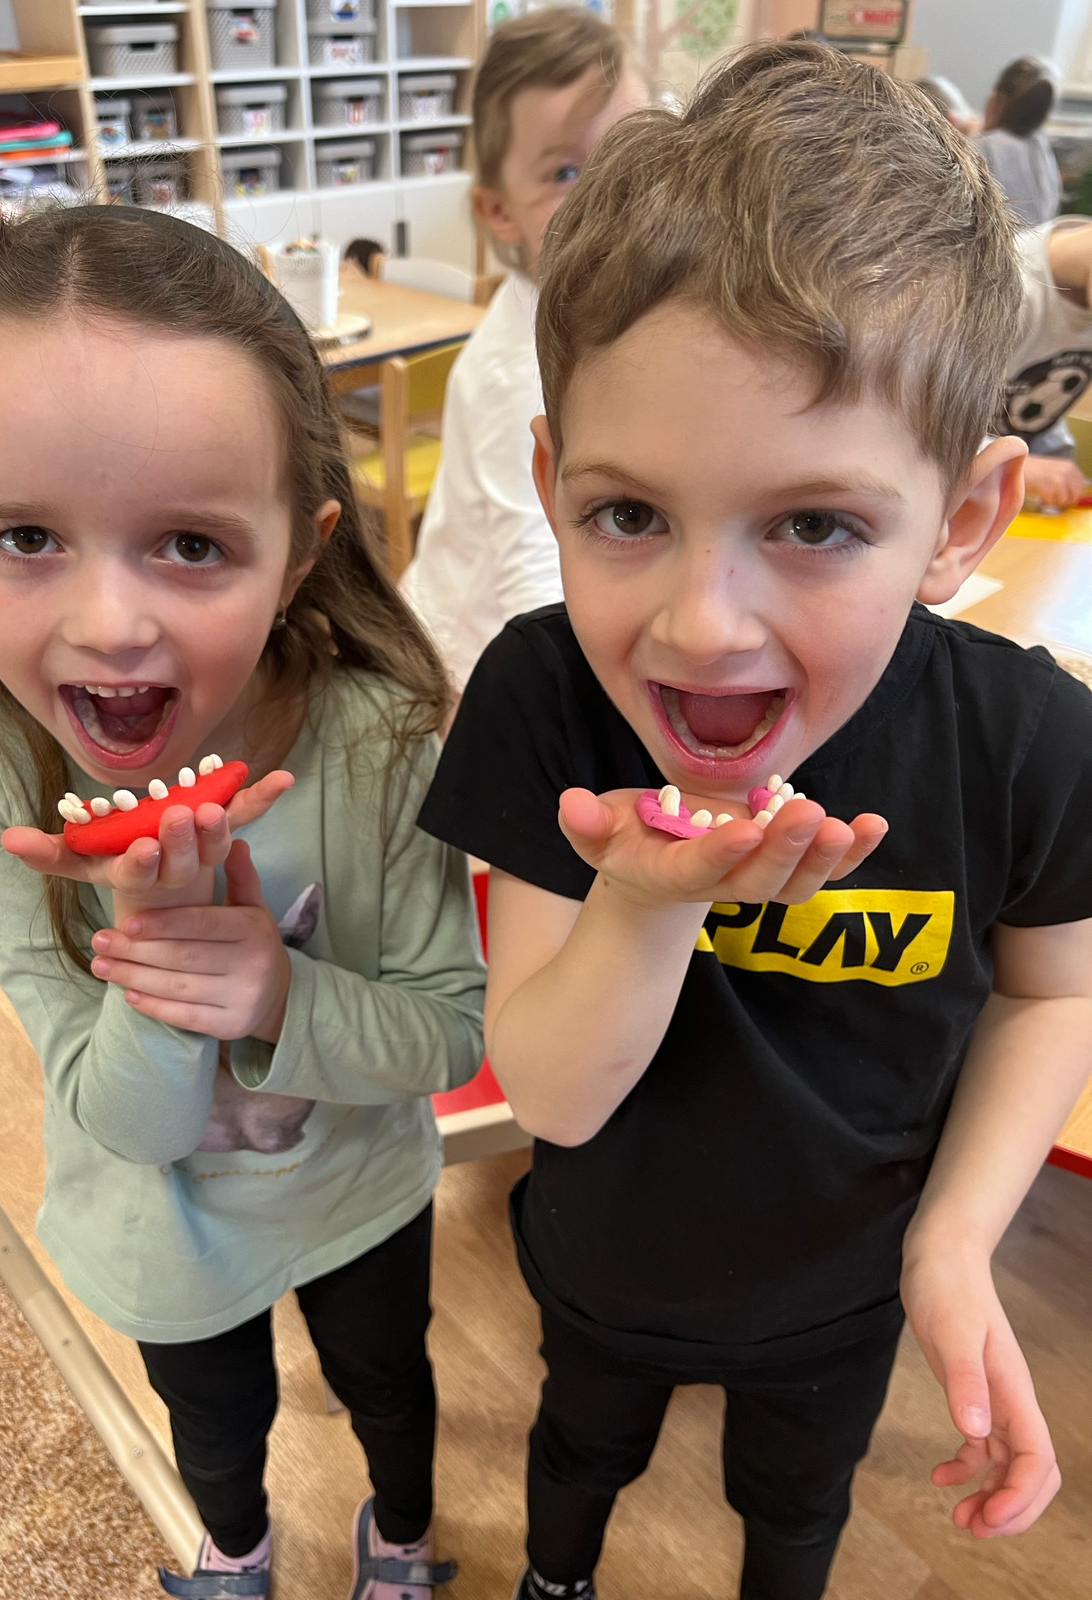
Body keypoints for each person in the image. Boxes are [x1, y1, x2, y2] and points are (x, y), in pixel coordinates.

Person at [419, 41, 1092, 1600]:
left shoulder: (1028, 739)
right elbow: (555, 1093)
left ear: (962, 520)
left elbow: (1054, 992)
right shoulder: (543, 696)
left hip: (851, 1290)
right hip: (603, 1262)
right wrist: (648, 901)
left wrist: (955, 1239)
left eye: (814, 524)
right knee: (578, 1460)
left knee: (797, 1514)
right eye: (628, 514)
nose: (702, 627)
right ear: (552, 483)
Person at [0, 205, 485, 1600]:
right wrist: (160, 965)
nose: (109, 625)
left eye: (192, 545)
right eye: (25, 535)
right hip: (162, 1223)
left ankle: (400, 1538)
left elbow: (451, 1036)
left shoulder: (383, 737)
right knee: (215, 1425)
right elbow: (130, 1120)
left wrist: (278, 991)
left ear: (300, 551)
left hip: (360, 1192)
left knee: (390, 1383)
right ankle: (237, 1553)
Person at [400, 7, 648, 696]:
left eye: (633, 150)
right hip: (467, 668)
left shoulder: (627, 313)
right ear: (500, 212)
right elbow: (536, 580)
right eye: (566, 172)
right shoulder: (518, 369)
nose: (611, 194)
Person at [999, 214, 1092, 510]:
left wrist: (1053, 462)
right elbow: (906, 432)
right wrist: (1007, 466)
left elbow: (1029, 401)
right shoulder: (996, 283)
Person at [974, 56, 1061, 228]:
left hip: (1001, 242)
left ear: (998, 99)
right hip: (1040, 241)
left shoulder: (985, 147)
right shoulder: (1041, 148)